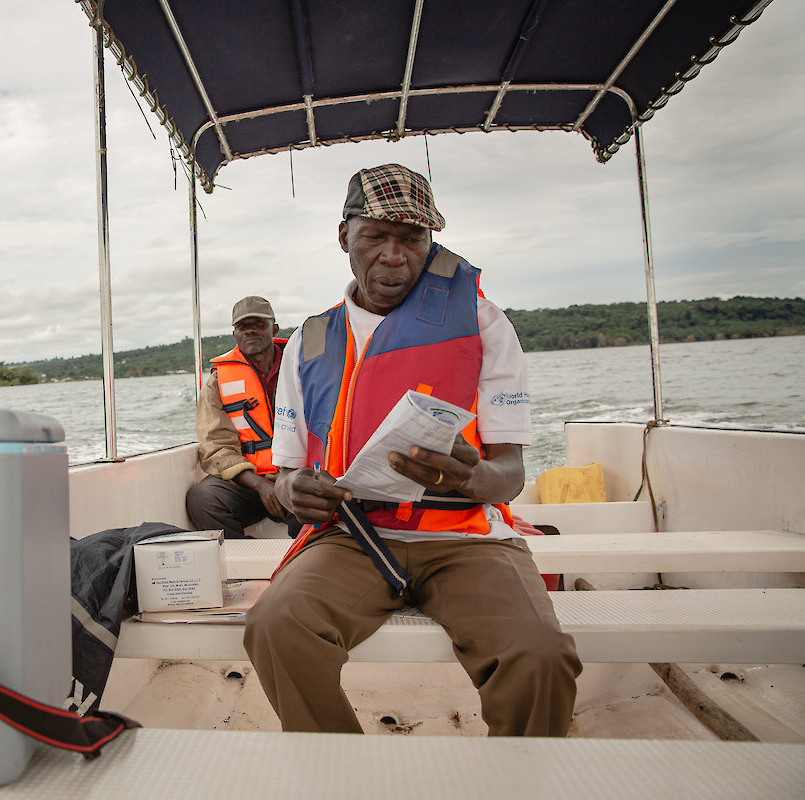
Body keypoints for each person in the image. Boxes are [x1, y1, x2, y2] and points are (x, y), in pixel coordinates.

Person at [244, 164, 581, 735]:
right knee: (275, 625)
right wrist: (291, 491)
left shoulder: (484, 324)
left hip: (465, 537)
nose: (395, 256)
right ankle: (342, 768)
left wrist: (473, 481)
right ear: (344, 237)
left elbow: (511, 473)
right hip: (352, 536)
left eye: (412, 238)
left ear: (430, 242)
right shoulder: (309, 341)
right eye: (376, 235)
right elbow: (287, 473)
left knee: (541, 657)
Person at [186, 296, 301, 539]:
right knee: (203, 498)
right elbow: (216, 445)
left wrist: (289, 477)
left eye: (258, 324)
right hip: (248, 482)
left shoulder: (304, 367)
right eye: (242, 326)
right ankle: (241, 560)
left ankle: (304, 557)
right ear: (235, 334)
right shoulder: (218, 382)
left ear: (275, 328)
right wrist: (259, 485)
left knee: (322, 503)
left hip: (296, 475)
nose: (250, 330)